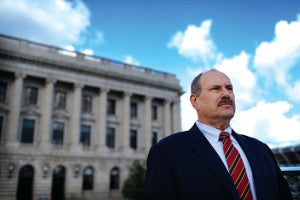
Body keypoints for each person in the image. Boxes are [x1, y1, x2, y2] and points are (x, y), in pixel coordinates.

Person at [143, 69, 292, 200]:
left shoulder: (261, 149)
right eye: (216, 89)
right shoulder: (166, 151)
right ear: (195, 101)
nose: (226, 94)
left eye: (229, 88)